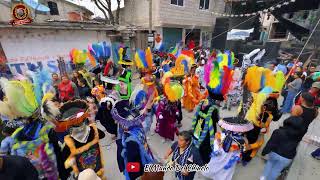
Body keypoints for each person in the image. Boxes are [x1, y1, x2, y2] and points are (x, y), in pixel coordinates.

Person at [112, 100, 155, 180]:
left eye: (119, 121)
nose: (116, 122)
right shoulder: (137, 125)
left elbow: (133, 165)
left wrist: (134, 177)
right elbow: (140, 117)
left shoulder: (130, 141)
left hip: (140, 166)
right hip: (145, 155)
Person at [260, 115, 309, 180]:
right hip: (287, 156)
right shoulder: (299, 136)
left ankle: (263, 178)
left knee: (269, 164)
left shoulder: (278, 131)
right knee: (276, 170)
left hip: (275, 153)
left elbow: (271, 143)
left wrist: (264, 151)